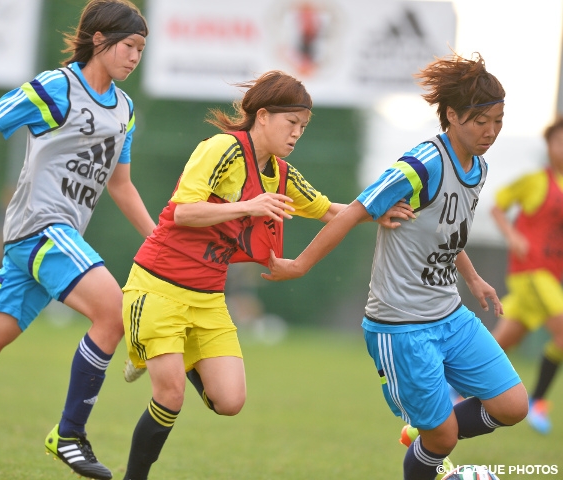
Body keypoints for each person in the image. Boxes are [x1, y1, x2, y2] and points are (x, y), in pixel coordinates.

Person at [119, 70, 412, 480]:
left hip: (206, 299)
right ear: (262, 116)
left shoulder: (281, 173)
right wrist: (247, 206)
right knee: (170, 396)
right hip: (158, 286)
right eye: (291, 123)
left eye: (303, 127)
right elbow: (183, 211)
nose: (297, 134)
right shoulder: (222, 148)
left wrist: (377, 211)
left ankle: (168, 355)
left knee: (230, 401)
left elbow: (329, 210)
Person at [262, 53, 528, 480]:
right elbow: (353, 211)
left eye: (498, 120)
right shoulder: (422, 162)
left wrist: (475, 279)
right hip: (401, 326)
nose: (491, 132)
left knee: (513, 406)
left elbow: (447, 231)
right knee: (441, 440)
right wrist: (300, 265)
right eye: (481, 121)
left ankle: (429, 430)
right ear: (453, 116)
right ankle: (432, 440)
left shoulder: (477, 168)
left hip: (450, 316)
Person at [0, 1, 155, 479]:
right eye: (129, 46)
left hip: (48, 242)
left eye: (141, 50)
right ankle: (69, 433)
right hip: (41, 230)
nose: (135, 57)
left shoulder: (126, 111)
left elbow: (120, 185)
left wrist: (157, 241)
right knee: (111, 311)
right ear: (100, 40)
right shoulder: (56, 87)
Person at [490, 116, 563, 434]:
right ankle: (538, 401)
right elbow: (497, 207)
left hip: (551, 276)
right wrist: (512, 236)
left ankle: (452, 389)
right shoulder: (535, 180)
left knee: (498, 345)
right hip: (532, 271)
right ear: (549, 146)